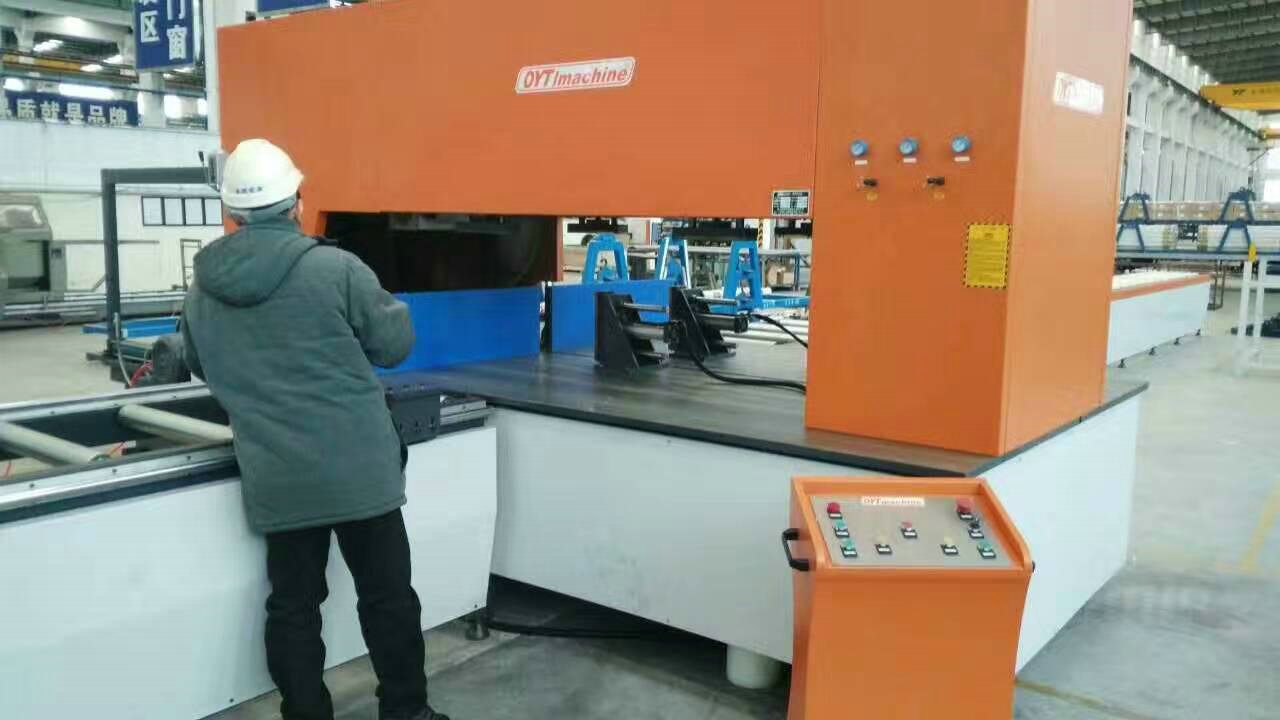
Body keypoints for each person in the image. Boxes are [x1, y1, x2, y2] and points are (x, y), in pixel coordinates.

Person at [181, 138, 448, 720]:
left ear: (231, 212)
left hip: (278, 474)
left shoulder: (201, 291)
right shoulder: (335, 269)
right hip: (361, 472)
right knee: (388, 598)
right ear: (296, 202)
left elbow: (200, 363)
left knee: (294, 607)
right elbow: (395, 345)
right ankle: (407, 711)